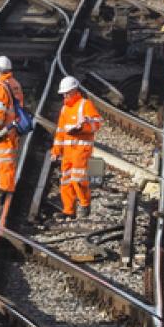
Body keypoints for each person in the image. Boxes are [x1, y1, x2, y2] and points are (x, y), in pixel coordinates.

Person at [52, 77, 103, 220]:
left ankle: (85, 203)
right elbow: (60, 131)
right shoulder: (64, 109)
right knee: (66, 180)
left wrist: (81, 129)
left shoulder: (85, 105)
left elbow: (96, 124)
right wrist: (56, 150)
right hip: (68, 152)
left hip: (81, 150)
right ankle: (68, 210)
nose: (65, 96)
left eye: (67, 93)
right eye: (63, 93)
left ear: (75, 91)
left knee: (78, 179)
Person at [0, 55, 26, 194]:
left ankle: (5, 189)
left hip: (4, 130)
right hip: (13, 127)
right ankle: (8, 185)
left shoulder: (0, 87)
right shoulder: (15, 84)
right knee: (9, 159)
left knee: (4, 161)